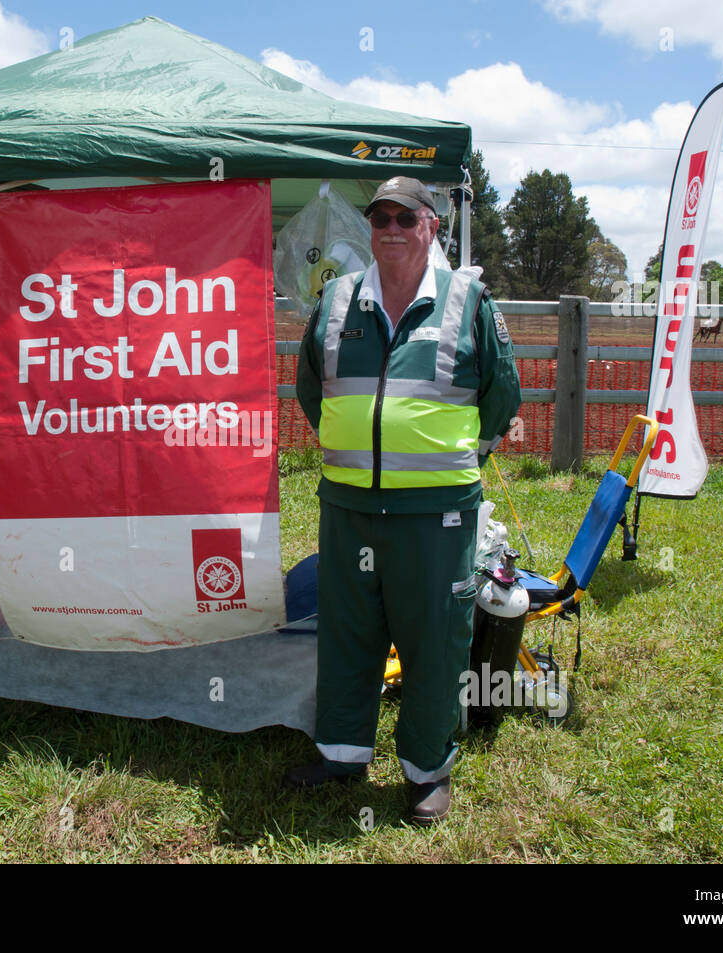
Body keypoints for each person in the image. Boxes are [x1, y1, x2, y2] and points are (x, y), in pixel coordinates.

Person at [290, 176, 522, 824]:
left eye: (404, 217)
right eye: (379, 217)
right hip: (348, 507)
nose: (390, 228)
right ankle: (340, 755)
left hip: (437, 516)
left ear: (431, 226)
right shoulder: (336, 300)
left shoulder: (468, 301)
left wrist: (452, 462)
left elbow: (502, 396)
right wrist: (357, 448)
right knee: (346, 636)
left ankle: (426, 772)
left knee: (434, 642)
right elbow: (313, 389)